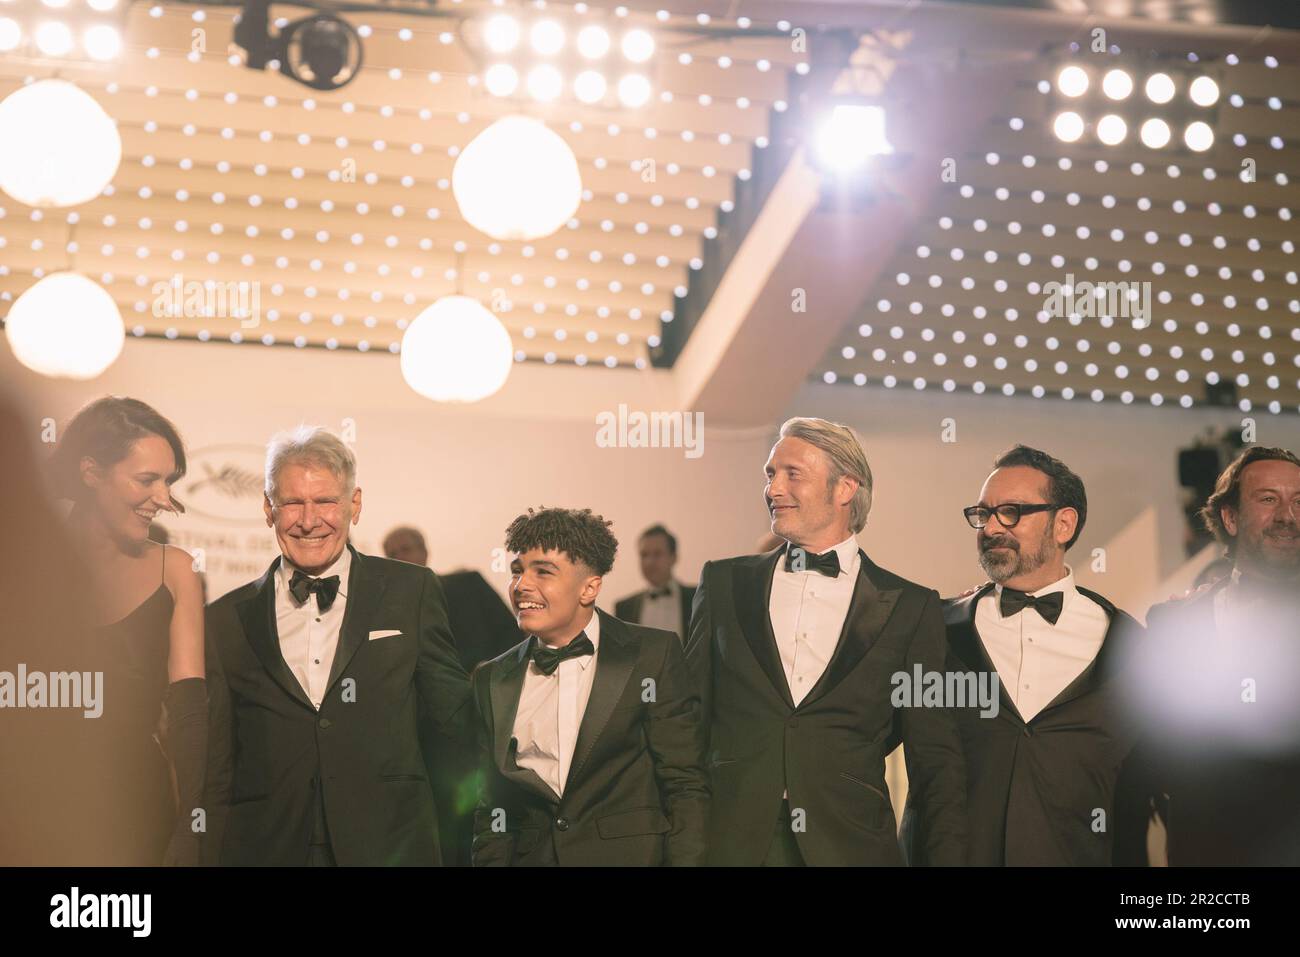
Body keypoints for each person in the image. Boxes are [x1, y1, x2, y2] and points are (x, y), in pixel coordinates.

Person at [686, 417, 966, 866]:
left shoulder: (911, 607)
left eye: (792, 474)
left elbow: (935, 761)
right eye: (770, 474)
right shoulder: (721, 583)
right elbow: (689, 723)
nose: (773, 489)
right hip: (730, 841)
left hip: (851, 845)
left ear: (845, 488)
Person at [202, 426, 471, 865]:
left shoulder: (412, 591)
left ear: (355, 505)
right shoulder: (225, 618)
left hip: (390, 844)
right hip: (265, 848)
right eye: (292, 503)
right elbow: (218, 762)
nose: (309, 521)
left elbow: (454, 718)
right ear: (268, 509)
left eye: (325, 501)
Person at [903, 446, 1144, 866]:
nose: (992, 527)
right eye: (983, 513)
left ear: (1064, 524)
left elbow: (1144, 781)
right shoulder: (934, 629)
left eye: (1011, 512)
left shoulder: (1130, 645)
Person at [471, 507, 708, 866]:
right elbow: (492, 805)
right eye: (517, 571)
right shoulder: (492, 677)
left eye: (543, 572)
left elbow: (685, 785)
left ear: (590, 587)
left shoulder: (653, 656)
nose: (522, 586)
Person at [46, 396, 208, 865]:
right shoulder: (23, 566)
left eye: (169, 481)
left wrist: (190, 828)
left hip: (138, 812)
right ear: (91, 471)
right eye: (146, 480)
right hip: (32, 804)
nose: (164, 498)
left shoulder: (175, 572)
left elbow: (190, 718)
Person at [1132, 446, 1300, 865]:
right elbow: (1153, 752)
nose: (1288, 516)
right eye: (1268, 499)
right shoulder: (1174, 622)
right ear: (1230, 517)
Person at [382, 524, 522, 866]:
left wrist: (487, 671)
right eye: (393, 553)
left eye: (407, 548)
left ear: (425, 551)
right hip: (421, 742)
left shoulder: (466, 585)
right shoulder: (383, 610)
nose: (402, 557)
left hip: (481, 726)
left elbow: (515, 641)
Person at [614, 525, 696, 641]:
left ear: (674, 557)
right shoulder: (624, 608)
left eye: (657, 554)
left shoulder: (697, 599)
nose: (649, 562)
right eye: (644, 555)